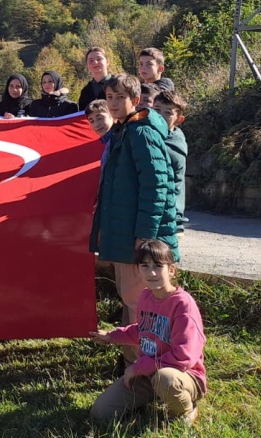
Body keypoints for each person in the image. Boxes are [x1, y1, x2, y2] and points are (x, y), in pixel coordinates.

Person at [89, 74, 179, 361]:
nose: (113, 103)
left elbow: (156, 186)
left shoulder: (141, 132)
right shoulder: (124, 130)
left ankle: (147, 366)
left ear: (135, 101)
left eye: (119, 98)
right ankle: (132, 363)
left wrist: (145, 236)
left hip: (136, 238)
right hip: (124, 234)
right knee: (131, 300)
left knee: (141, 304)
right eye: (110, 97)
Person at [89, 240, 206, 426]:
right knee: (101, 411)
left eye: (158, 266)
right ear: (138, 270)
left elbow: (184, 356)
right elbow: (142, 330)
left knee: (165, 379)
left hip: (181, 374)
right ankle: (149, 397)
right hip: (148, 374)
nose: (151, 272)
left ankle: (186, 408)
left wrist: (137, 368)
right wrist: (112, 336)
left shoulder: (183, 304)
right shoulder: (146, 296)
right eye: (145, 266)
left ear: (171, 270)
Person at [154, 90, 188, 236]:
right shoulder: (155, 135)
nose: (160, 115)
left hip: (170, 217)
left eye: (168, 113)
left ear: (179, 120)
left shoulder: (173, 145)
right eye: (156, 110)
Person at [78, 47, 113, 111]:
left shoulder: (118, 84)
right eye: (91, 60)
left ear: (107, 62)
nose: (95, 62)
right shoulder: (85, 91)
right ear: (87, 64)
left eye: (99, 59)